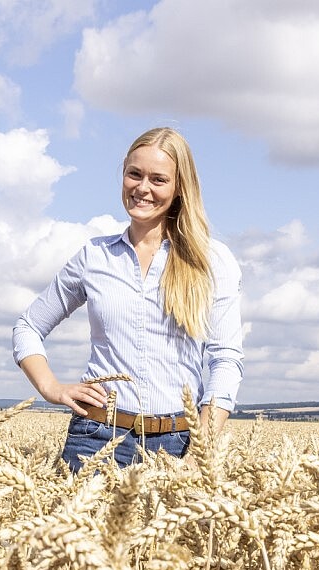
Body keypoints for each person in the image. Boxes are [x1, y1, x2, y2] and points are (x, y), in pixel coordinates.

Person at [12, 127, 244, 472]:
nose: (143, 188)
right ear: (123, 172)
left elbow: (226, 360)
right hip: (94, 439)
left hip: (178, 444)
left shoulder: (212, 260)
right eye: (134, 174)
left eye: (158, 179)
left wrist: (201, 452)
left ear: (180, 186)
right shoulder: (95, 256)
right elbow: (28, 326)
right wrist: (52, 388)